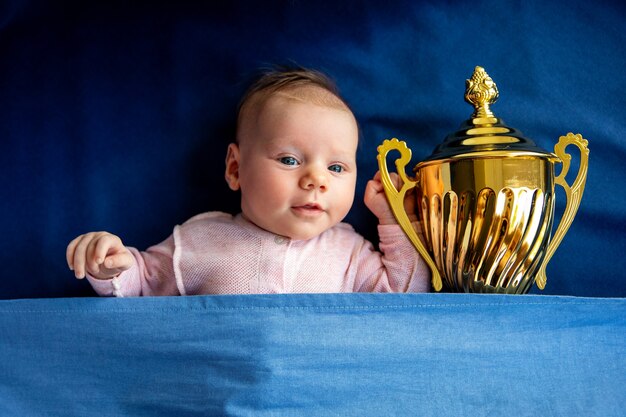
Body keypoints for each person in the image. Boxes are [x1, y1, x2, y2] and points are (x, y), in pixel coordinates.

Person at [66, 66, 430, 296]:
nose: (317, 179)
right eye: (289, 160)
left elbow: (405, 295)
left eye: (336, 168)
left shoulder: (349, 253)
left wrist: (395, 220)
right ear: (235, 169)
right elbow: (143, 284)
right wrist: (112, 264)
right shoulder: (199, 239)